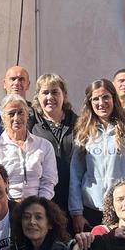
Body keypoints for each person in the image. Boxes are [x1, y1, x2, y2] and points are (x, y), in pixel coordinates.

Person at [69, 79, 125, 232]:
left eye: (106, 97)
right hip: (91, 209)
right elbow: (76, 175)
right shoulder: (84, 133)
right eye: (95, 99)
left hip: (122, 211)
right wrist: (76, 212)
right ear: (89, 103)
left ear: (114, 99)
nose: (101, 102)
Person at [0, 94, 57, 201]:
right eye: (11, 114)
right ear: (3, 117)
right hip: (6, 207)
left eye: (20, 113)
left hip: (39, 206)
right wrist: (11, 204)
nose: (16, 118)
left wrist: (39, 204)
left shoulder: (44, 145)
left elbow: (49, 181)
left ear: (27, 115)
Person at [29, 73, 78, 213]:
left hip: (73, 198)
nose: (50, 97)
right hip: (43, 199)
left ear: (64, 95)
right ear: (38, 96)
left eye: (55, 92)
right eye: (45, 92)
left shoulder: (78, 123)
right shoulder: (32, 125)